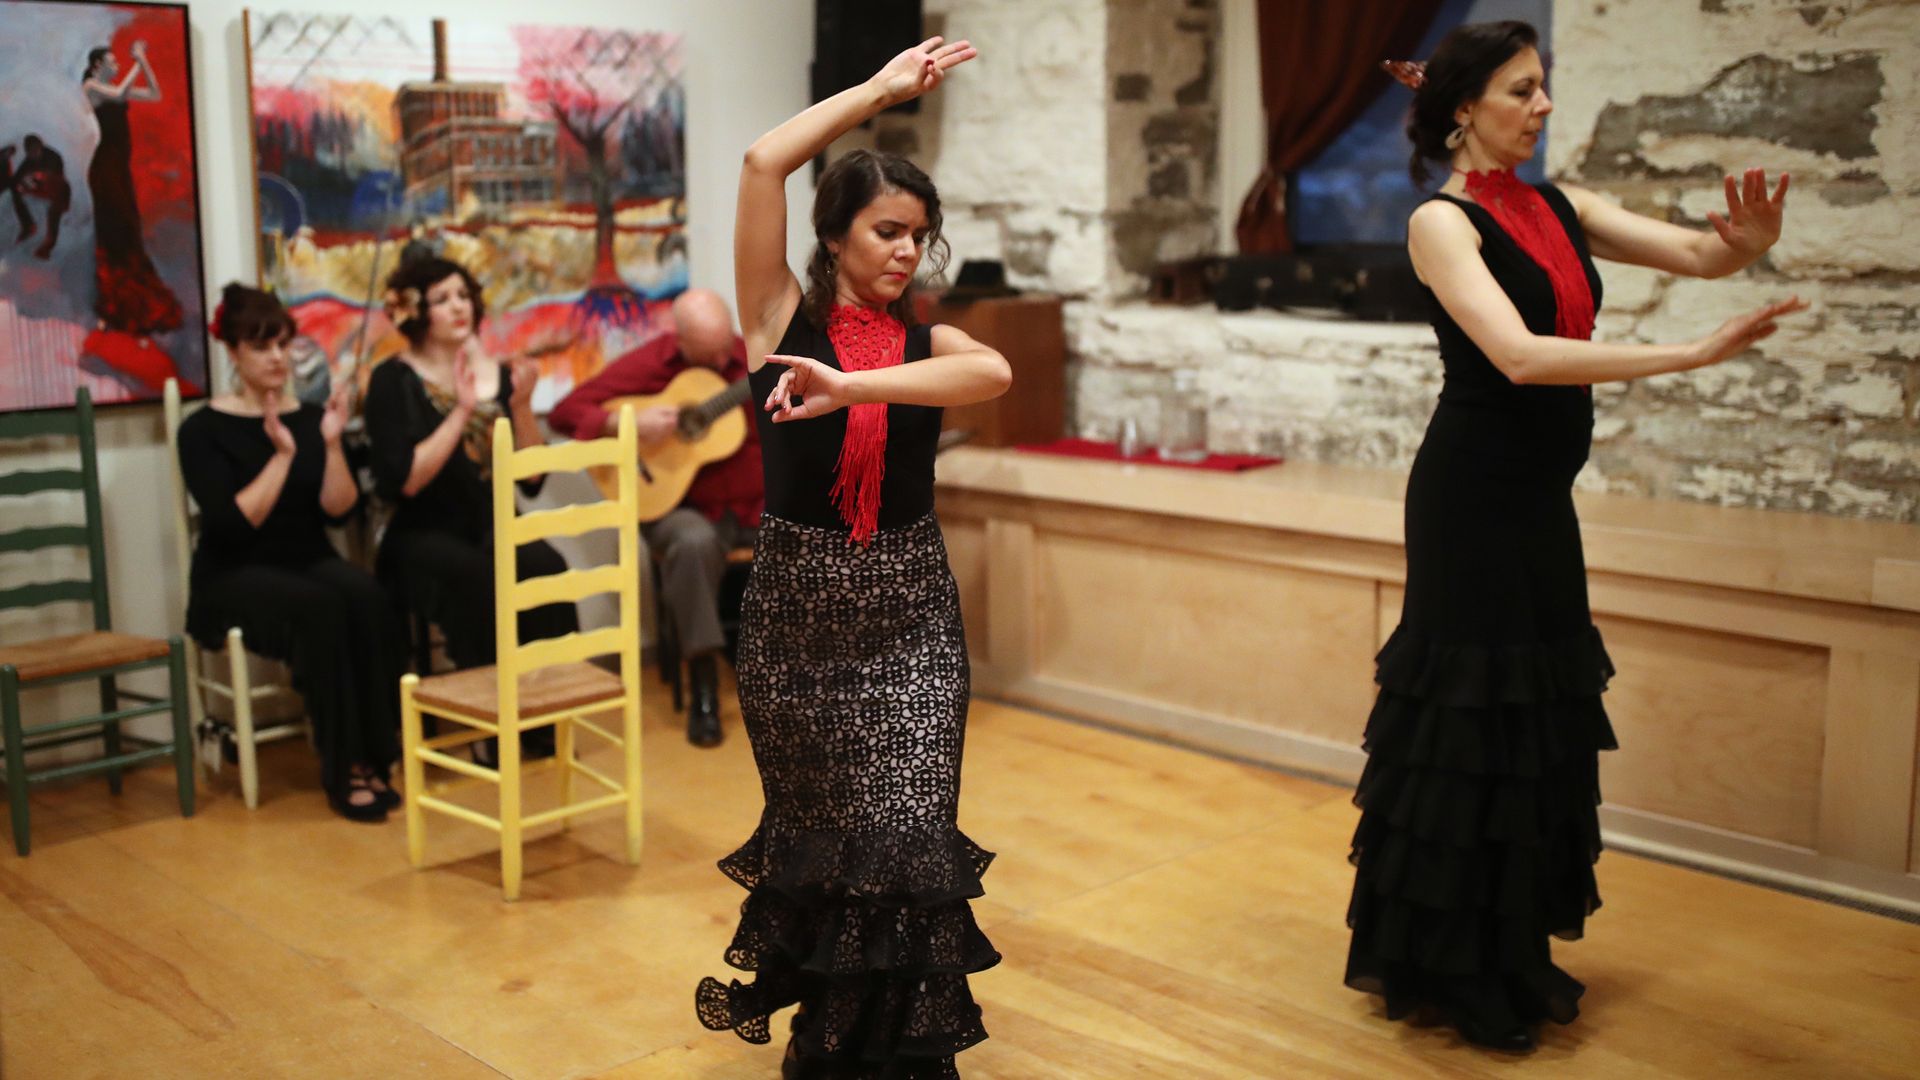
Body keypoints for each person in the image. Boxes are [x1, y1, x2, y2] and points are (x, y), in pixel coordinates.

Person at [1347, 23, 1805, 1052]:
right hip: (1471, 502)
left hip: (1538, 500)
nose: (1544, 105)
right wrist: (1688, 355)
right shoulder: (1441, 223)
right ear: (1467, 109)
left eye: (1542, 85)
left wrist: (1748, 247)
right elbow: (1515, 357)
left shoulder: (1559, 205)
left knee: (1536, 714)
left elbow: (1699, 252)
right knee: (1472, 719)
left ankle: (1507, 946)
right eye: (1524, 88)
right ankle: (1447, 964)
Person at [692, 35, 1012, 1079]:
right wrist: (878, 92)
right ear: (834, 234)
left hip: (912, 618)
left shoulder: (930, 346)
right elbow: (758, 165)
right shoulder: (775, 319)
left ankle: (913, 1054)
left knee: (911, 841)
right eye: (885, 231)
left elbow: (996, 375)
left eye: (919, 236)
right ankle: (831, 1047)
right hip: (798, 624)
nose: (905, 254)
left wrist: (857, 388)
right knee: (830, 851)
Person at [176, 283, 403, 822]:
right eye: (261, 346)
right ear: (232, 352)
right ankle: (343, 766)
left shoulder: (310, 416)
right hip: (232, 572)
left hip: (304, 558)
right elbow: (232, 526)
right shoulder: (202, 430)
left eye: (283, 343)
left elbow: (338, 511)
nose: (278, 357)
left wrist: (326, 443)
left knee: (367, 595)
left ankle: (377, 754)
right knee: (320, 607)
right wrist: (281, 456)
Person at [361, 255, 576, 759]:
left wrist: (522, 405)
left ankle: (544, 717)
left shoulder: (498, 376)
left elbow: (533, 477)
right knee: (479, 580)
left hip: (491, 525)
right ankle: (490, 726)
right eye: (441, 299)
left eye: (462, 295)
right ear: (416, 313)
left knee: (548, 567)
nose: (458, 307)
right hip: (420, 533)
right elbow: (404, 483)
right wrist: (461, 409)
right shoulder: (393, 381)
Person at [549, 288, 763, 748]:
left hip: (754, 505)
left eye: (725, 345)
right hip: (676, 507)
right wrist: (626, 424)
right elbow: (568, 413)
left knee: (822, 530)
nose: (721, 357)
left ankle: (806, 678)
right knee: (691, 544)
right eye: (708, 352)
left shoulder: (754, 357)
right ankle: (704, 678)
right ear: (680, 340)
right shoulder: (653, 363)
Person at [81, 42, 182, 334]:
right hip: (106, 169)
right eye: (111, 62)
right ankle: (113, 305)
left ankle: (131, 302)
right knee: (115, 232)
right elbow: (118, 93)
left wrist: (143, 63)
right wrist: (137, 62)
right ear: (98, 65)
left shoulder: (115, 87)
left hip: (119, 169)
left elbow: (154, 93)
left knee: (128, 230)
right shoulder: (91, 86)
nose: (116, 66)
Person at [8, 135, 72, 260]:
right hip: (42, 187)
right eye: (30, 152)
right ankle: (28, 225)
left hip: (58, 190)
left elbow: (57, 182)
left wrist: (36, 182)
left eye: (36, 150)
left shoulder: (53, 157)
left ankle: (48, 246)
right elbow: (16, 180)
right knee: (17, 190)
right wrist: (23, 186)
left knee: (54, 210)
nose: (34, 154)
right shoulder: (29, 161)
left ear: (41, 148)